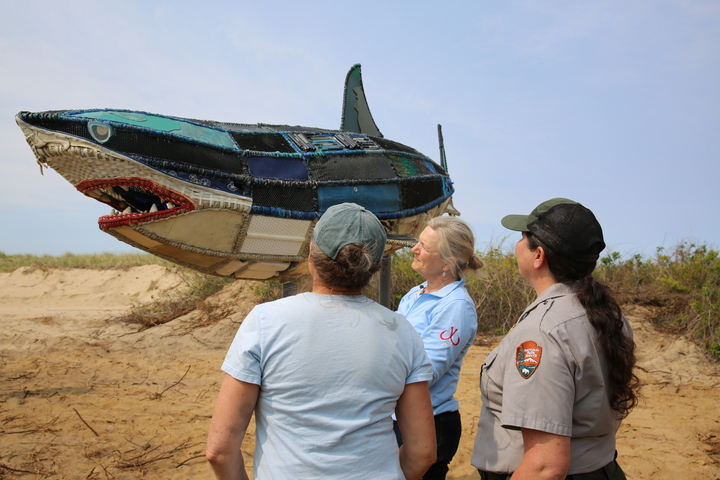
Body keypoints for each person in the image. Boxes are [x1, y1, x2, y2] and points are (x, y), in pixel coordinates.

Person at [206, 202, 437, 480]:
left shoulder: (266, 322)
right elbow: (422, 451)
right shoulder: (401, 331)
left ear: (312, 253)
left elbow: (220, 451)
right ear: (374, 267)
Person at [471, 198, 640, 480]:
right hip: (600, 468)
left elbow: (544, 466)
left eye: (522, 237)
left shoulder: (542, 331)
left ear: (538, 255)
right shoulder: (611, 316)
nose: (516, 244)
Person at [395, 216, 484, 480]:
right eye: (417, 242)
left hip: (430, 423)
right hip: (399, 417)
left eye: (424, 246)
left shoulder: (456, 306)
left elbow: (427, 371)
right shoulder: (416, 292)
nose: (414, 249)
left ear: (447, 263)